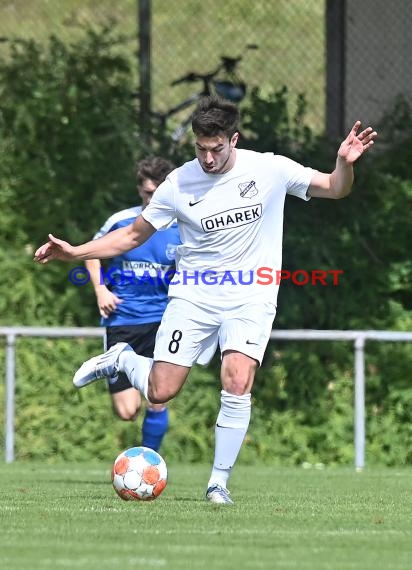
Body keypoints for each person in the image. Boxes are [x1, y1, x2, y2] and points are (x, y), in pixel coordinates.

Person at [34, 95, 377, 505]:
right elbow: (131, 236)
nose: (208, 158)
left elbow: (336, 189)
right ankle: (123, 357)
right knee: (160, 392)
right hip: (194, 295)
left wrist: (344, 164)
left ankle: (218, 484)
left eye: (216, 149)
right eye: (201, 149)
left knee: (237, 378)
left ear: (235, 139)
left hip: (252, 294)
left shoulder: (269, 169)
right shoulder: (179, 183)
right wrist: (75, 253)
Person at [85, 156, 179, 452]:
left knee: (158, 399)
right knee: (127, 411)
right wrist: (101, 291)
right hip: (123, 320)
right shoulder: (122, 221)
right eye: (148, 192)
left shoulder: (182, 226)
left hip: (162, 322)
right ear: (140, 189)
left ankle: (148, 462)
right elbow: (91, 253)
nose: (153, 199)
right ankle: (120, 358)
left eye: (158, 192)